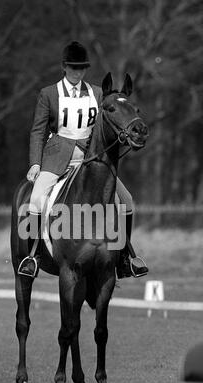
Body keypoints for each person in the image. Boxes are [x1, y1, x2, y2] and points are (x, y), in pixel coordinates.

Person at [19, 41, 148, 278]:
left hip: (92, 160)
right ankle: (33, 255)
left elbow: (110, 120)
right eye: (73, 68)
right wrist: (35, 163)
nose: (77, 73)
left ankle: (126, 257)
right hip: (58, 159)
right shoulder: (48, 94)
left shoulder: (98, 93)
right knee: (36, 199)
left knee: (127, 200)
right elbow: (38, 131)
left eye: (81, 68)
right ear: (64, 67)